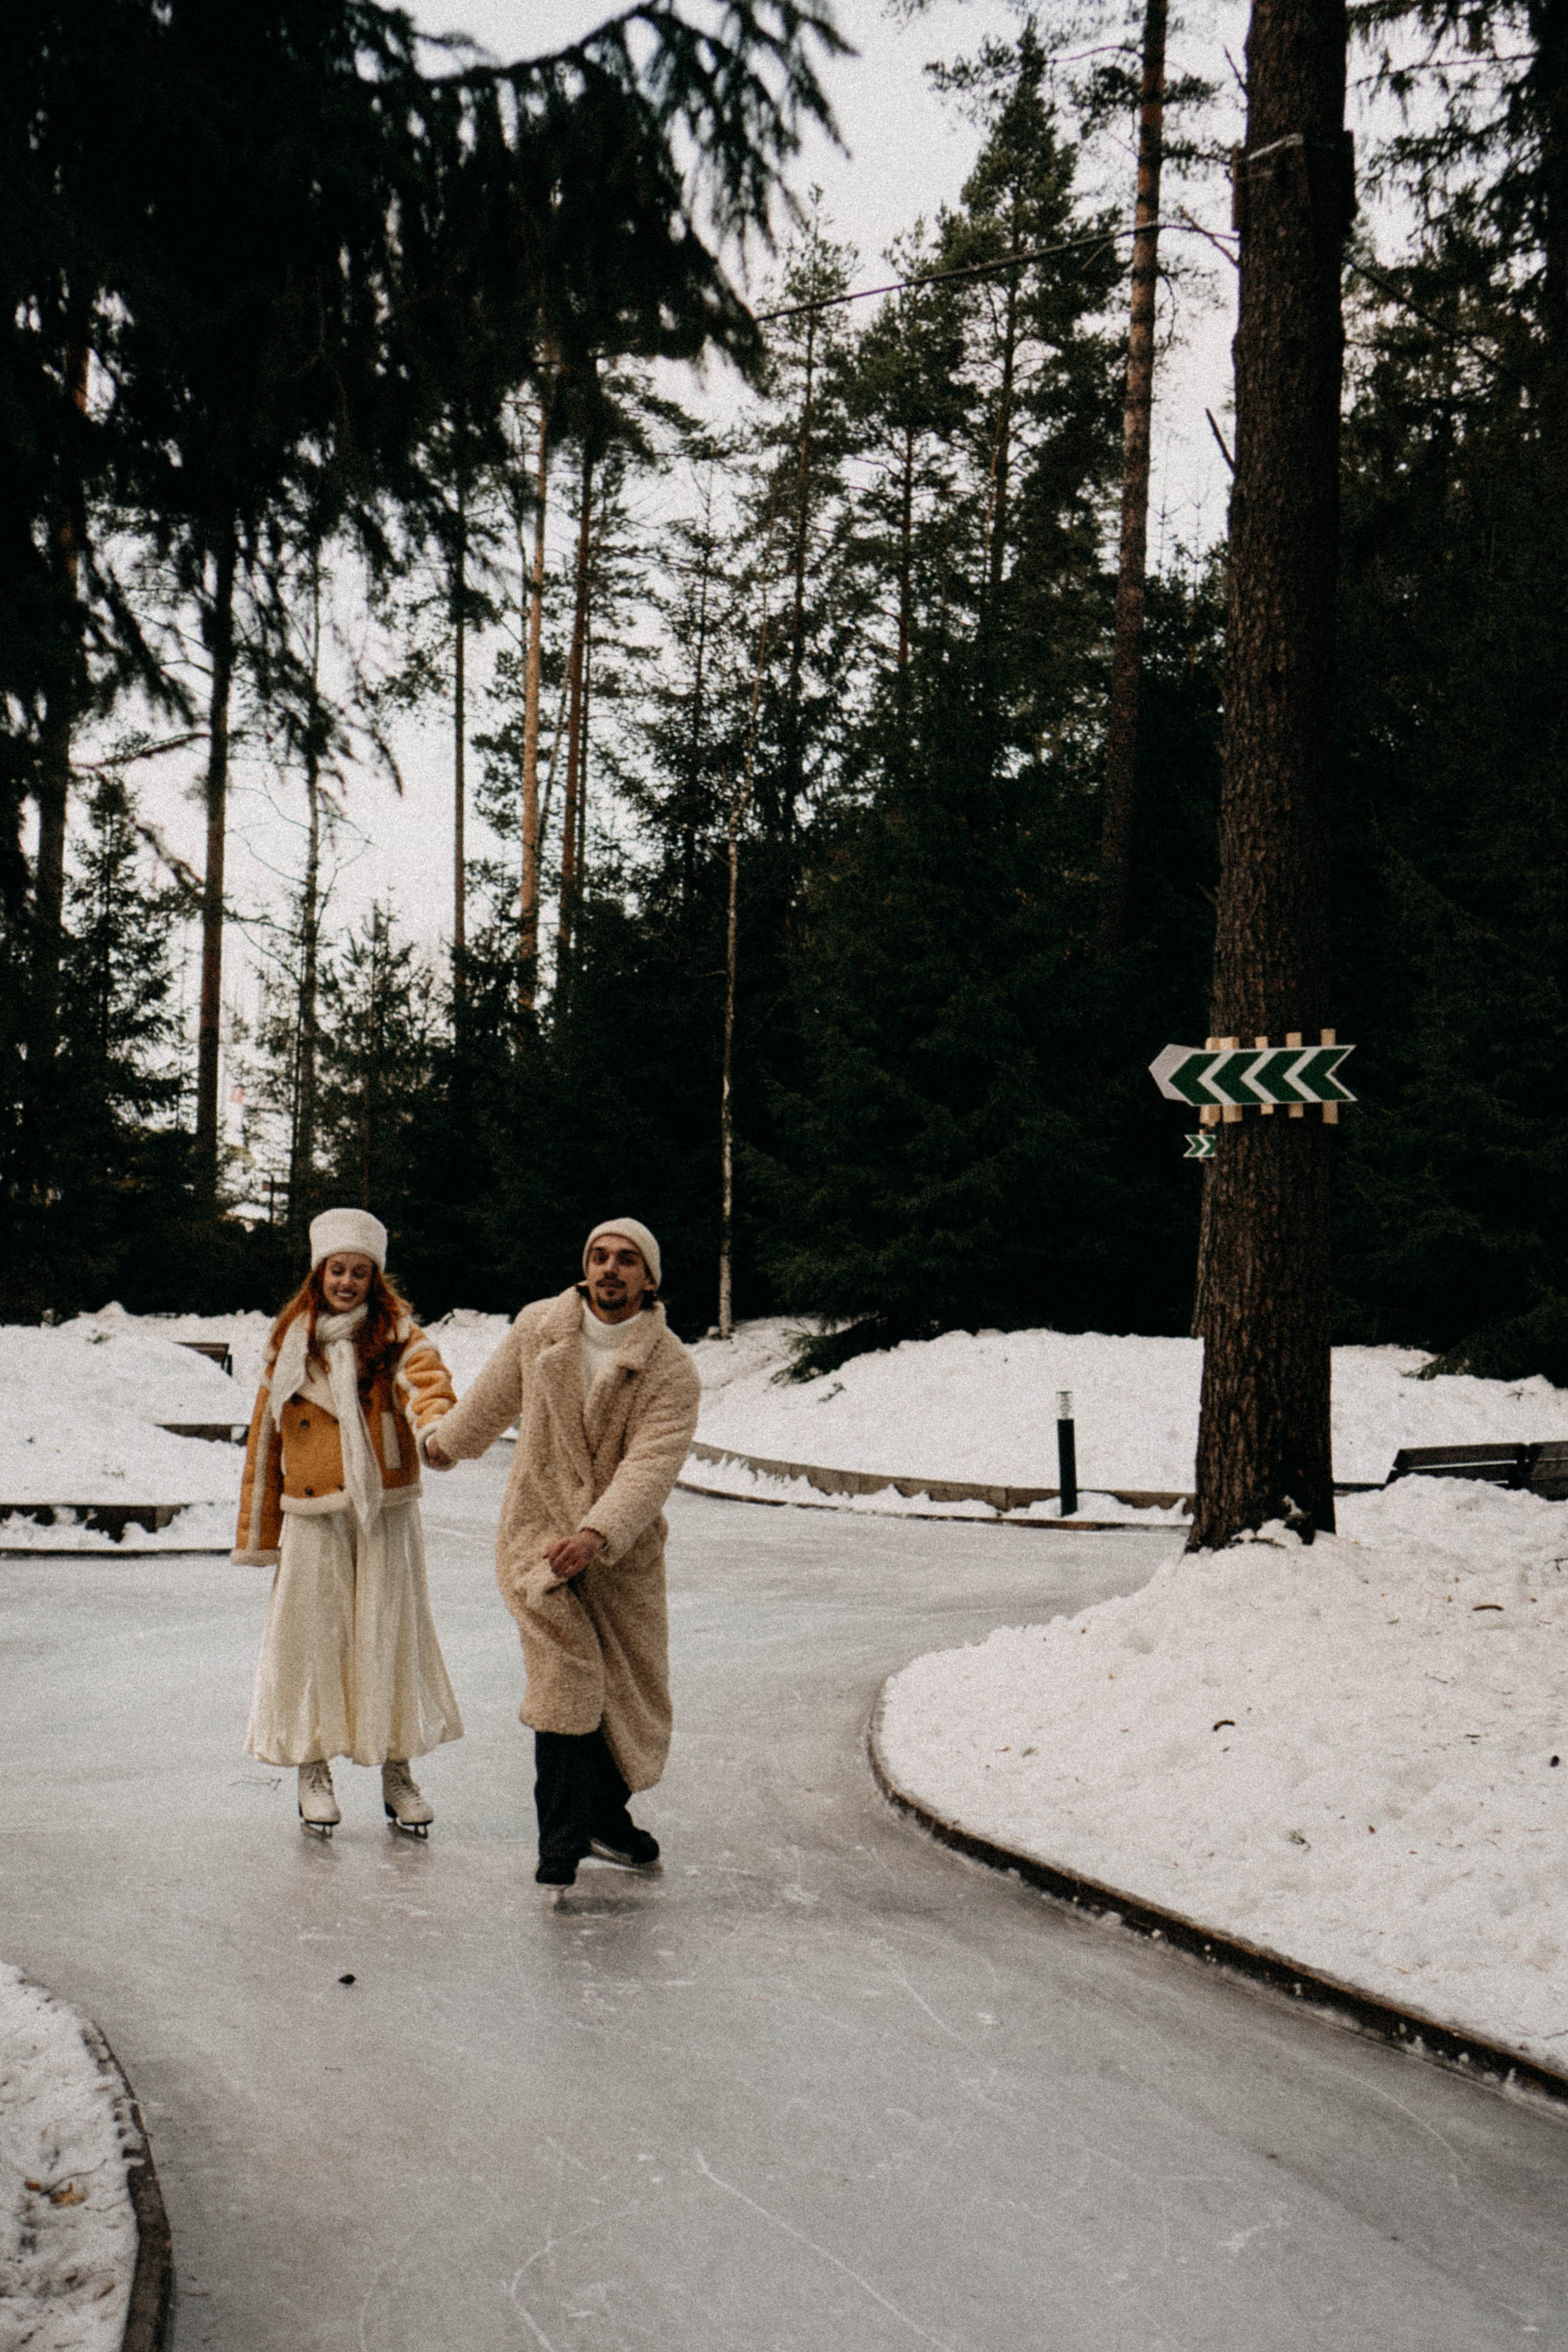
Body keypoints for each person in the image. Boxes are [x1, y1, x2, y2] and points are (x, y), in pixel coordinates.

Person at [424, 1219, 701, 1889]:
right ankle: (561, 1844)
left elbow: (650, 1468)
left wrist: (597, 1535)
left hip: (619, 1556)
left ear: (649, 1279)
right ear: (585, 1267)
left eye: (627, 1261)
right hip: (537, 1542)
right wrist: (440, 1446)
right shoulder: (539, 1327)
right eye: (600, 1257)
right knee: (566, 1682)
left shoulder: (670, 1369)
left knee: (632, 1697)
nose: (610, 1269)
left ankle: (605, 1816)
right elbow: (491, 1400)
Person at [234, 1208, 464, 1837]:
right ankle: (313, 1769)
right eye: (338, 1270)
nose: (347, 1281)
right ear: (320, 1273)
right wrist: (257, 1536)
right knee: (312, 1641)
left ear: (374, 1279)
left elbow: (429, 1385)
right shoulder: (289, 1347)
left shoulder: (398, 1337)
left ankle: (397, 1770)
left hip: (383, 1511)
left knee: (388, 1634)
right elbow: (265, 1444)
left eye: (360, 1272)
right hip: (312, 1515)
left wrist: (437, 1428)